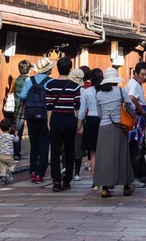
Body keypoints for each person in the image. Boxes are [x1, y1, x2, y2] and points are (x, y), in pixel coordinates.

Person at [93, 67, 136, 198]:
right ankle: (126, 186)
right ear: (116, 80)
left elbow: (99, 113)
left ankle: (105, 188)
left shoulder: (99, 94)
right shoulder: (120, 91)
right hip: (120, 127)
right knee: (122, 156)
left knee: (104, 157)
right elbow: (131, 107)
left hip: (104, 127)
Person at [45, 56, 81, 192]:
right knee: (69, 151)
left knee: (55, 151)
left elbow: (49, 106)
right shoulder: (75, 86)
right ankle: (67, 180)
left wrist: (49, 121)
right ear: (70, 69)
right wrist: (79, 124)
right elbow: (77, 107)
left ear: (57, 68)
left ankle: (56, 180)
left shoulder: (50, 85)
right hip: (70, 121)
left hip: (55, 121)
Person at [19, 57, 55, 184]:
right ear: (48, 69)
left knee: (33, 143)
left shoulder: (30, 80)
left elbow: (22, 96)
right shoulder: (51, 82)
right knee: (44, 144)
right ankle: (40, 173)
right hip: (45, 116)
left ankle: (32, 171)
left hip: (31, 115)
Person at [126, 61, 146, 188]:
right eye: (142, 74)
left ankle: (142, 175)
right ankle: (135, 177)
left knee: (141, 149)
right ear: (135, 73)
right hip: (135, 122)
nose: (144, 77)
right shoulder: (133, 84)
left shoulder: (137, 84)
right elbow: (131, 97)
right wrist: (141, 110)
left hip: (138, 122)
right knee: (136, 150)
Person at [77, 68, 103, 190]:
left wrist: (79, 125)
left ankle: (95, 182)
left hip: (91, 121)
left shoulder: (87, 92)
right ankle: (105, 178)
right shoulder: (105, 91)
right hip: (104, 121)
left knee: (93, 154)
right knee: (104, 153)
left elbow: (82, 112)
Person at [11, 60, 31, 161]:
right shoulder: (31, 81)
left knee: (17, 132)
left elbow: (11, 92)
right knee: (34, 131)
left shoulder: (16, 80)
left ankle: (16, 153)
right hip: (30, 109)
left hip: (18, 109)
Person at [69, 68, 86, 181]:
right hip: (79, 119)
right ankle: (77, 173)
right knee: (78, 147)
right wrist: (81, 124)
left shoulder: (68, 87)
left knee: (67, 146)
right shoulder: (83, 91)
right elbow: (83, 109)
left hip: (66, 118)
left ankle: (67, 169)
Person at [0, 119, 19, 184]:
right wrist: (16, 134)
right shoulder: (11, 136)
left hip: (1, 155)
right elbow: (17, 140)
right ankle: (10, 172)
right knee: (12, 165)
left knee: (3, 166)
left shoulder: (0, 135)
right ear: (10, 128)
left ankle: (3, 179)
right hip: (9, 155)